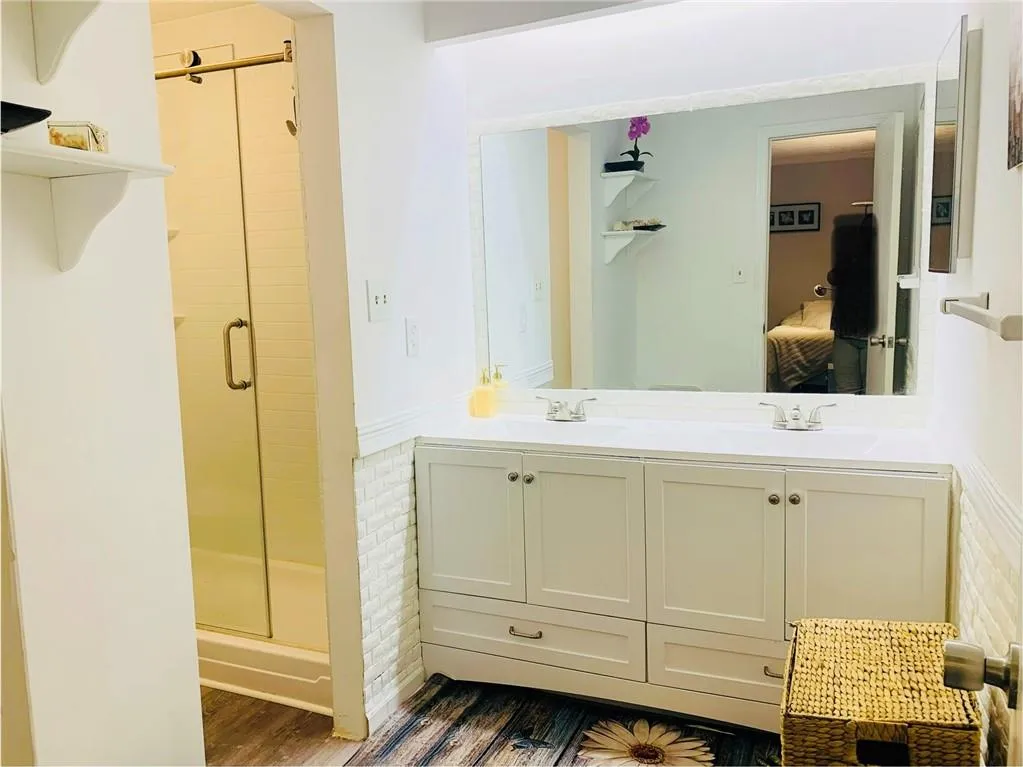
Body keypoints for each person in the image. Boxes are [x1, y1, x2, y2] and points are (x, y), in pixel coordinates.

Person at [827, 213, 876, 394]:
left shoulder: (886, 260)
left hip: (873, 336)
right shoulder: (849, 256)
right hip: (846, 332)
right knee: (847, 391)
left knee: (872, 391)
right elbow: (833, 277)